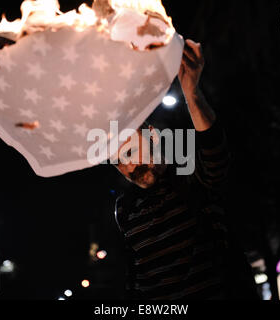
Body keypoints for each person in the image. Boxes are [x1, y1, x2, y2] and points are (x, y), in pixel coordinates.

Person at [113, 39, 259, 300]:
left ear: (152, 136)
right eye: (117, 162)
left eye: (130, 152)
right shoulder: (125, 210)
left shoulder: (190, 176)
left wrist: (192, 94)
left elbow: (215, 153)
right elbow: (136, 277)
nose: (128, 167)